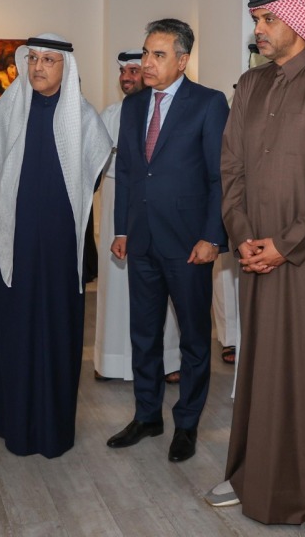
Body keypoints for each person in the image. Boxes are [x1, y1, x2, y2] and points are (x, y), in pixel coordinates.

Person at [206, 0, 305, 537]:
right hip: (255, 254)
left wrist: (286, 244)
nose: (259, 31)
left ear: (299, 21)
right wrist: (245, 235)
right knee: (257, 368)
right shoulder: (249, 84)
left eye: (268, 19)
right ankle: (249, 475)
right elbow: (231, 169)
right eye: (256, 20)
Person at [0, 33, 111, 458]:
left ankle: (50, 424)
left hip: (58, 244)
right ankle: (8, 416)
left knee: (55, 325)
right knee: (14, 323)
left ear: (65, 66)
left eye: (49, 60)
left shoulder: (83, 117)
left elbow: (94, 173)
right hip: (16, 239)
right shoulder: (10, 109)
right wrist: (13, 203)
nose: (38, 68)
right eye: (32, 59)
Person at [106, 20, 229, 463]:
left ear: (182, 59)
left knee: (196, 338)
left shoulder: (209, 104)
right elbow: (127, 174)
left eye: (159, 55)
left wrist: (212, 237)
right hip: (140, 242)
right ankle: (147, 416)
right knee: (144, 333)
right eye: (145, 53)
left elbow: (220, 178)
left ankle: (188, 423)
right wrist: (122, 229)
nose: (147, 63)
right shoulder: (134, 106)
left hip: (188, 245)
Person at [93, 49, 182, 382]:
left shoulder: (169, 111)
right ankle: (113, 360)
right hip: (116, 195)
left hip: (157, 200)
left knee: (160, 278)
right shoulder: (111, 113)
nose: (128, 77)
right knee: (116, 282)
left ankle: (168, 361)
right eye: (124, 72)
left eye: (135, 70)